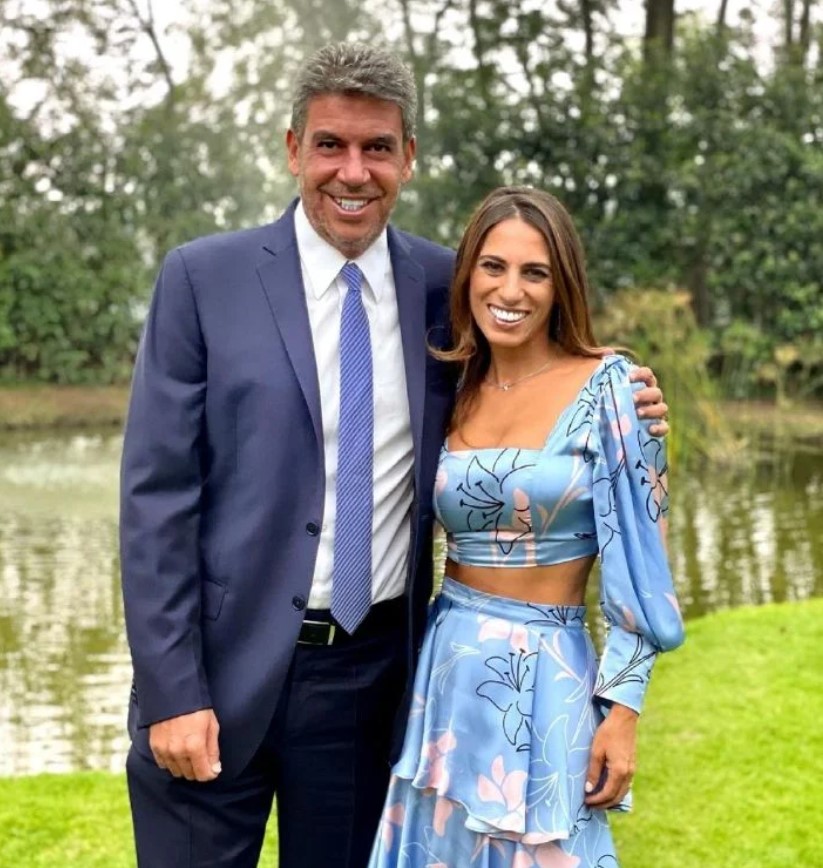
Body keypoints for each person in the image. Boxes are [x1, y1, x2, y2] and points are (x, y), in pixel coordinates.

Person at [119, 44, 670, 868]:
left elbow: (530, 375)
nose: (353, 171)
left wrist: (623, 396)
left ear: (408, 156)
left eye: (376, 147)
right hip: (216, 676)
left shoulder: (449, 287)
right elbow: (156, 502)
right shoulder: (203, 279)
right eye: (330, 145)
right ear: (293, 149)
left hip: (370, 684)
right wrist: (173, 690)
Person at [367, 186, 685, 868]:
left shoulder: (613, 389)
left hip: (547, 673)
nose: (509, 291)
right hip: (445, 669)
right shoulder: (451, 386)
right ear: (467, 276)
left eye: (534, 272)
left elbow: (642, 567)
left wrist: (623, 711)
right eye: (493, 266)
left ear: (560, 283)